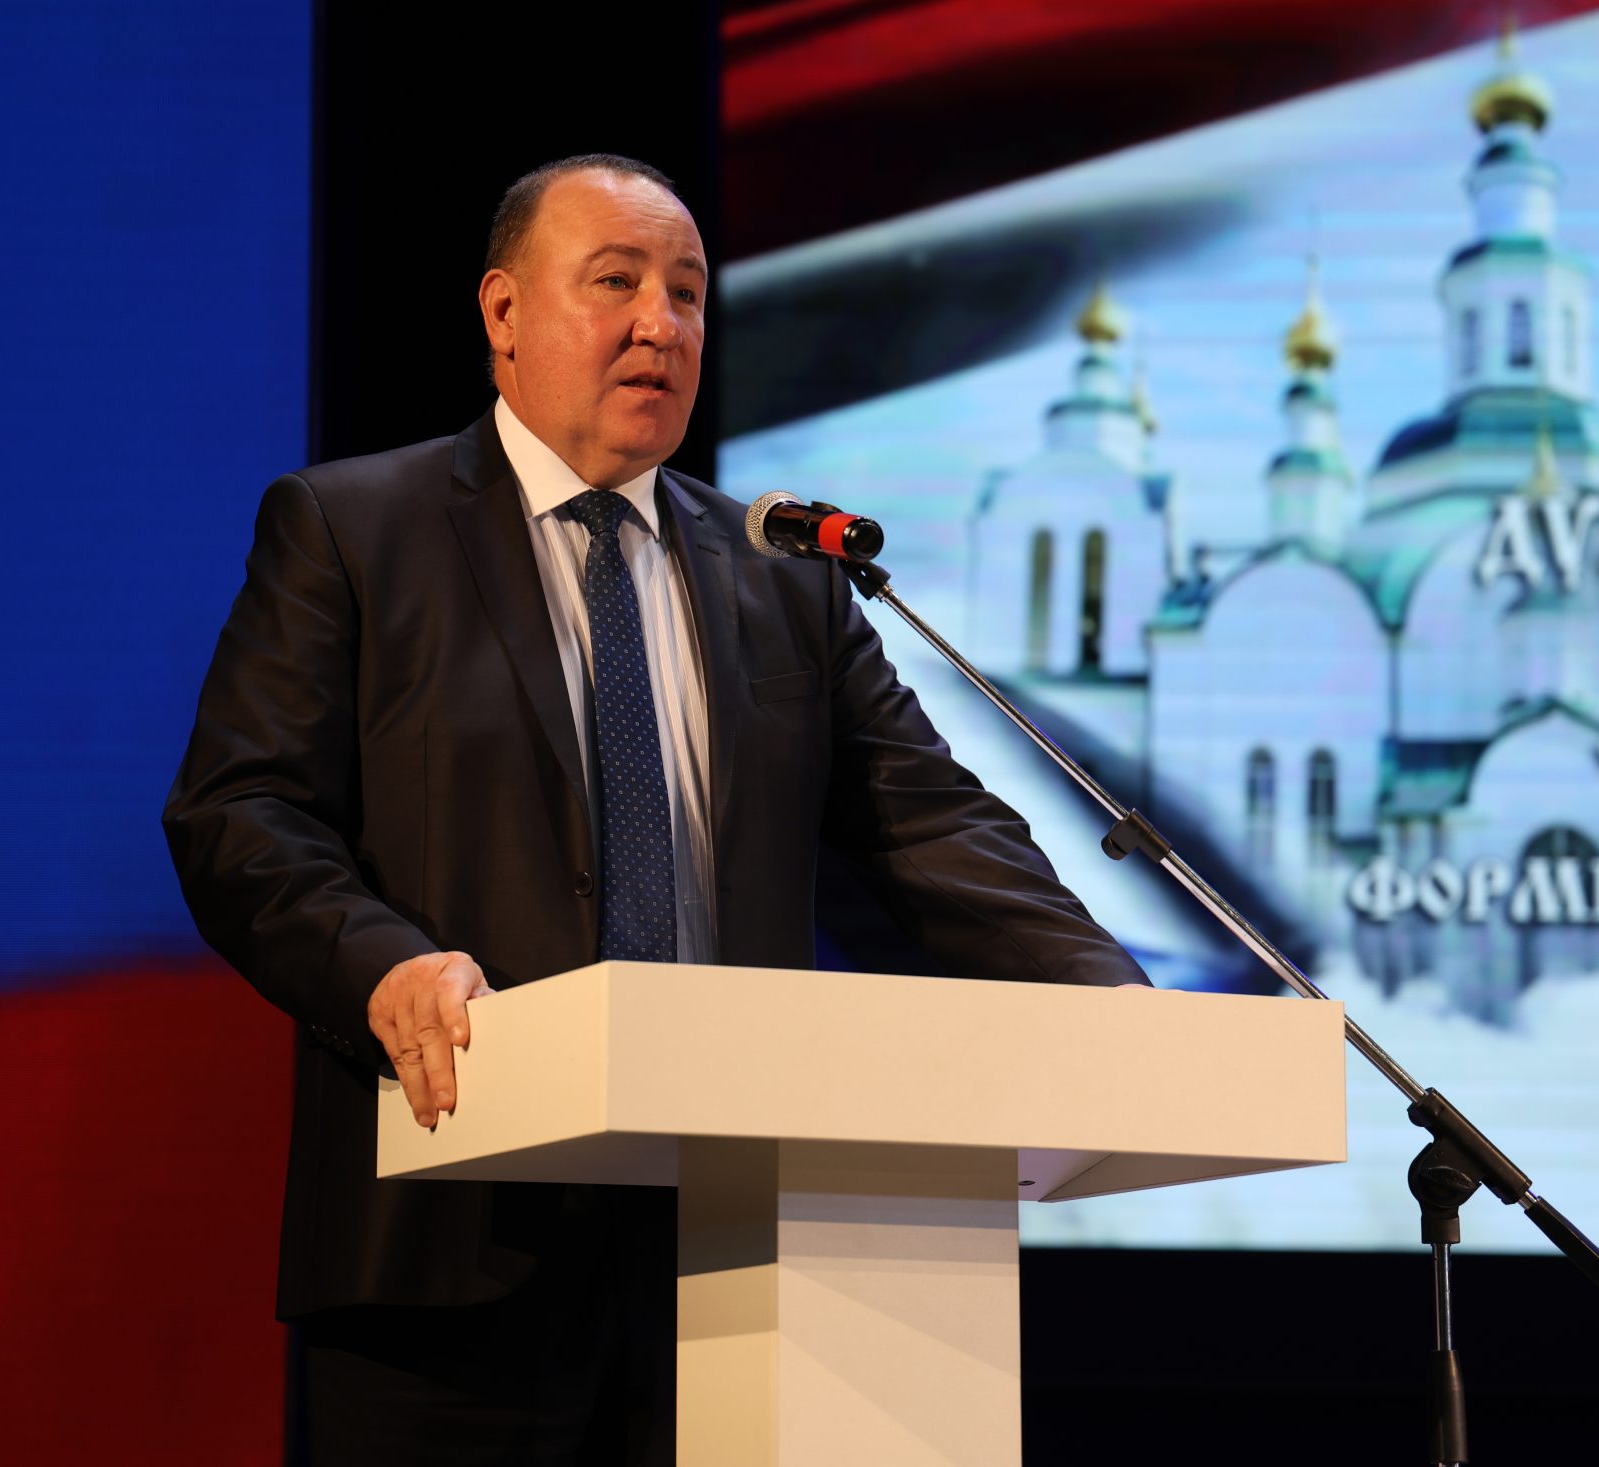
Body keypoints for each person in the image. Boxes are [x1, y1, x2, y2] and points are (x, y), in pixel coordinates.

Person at [162, 153, 1147, 1466]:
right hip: (449, 1243)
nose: (660, 324)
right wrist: (382, 966)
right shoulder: (354, 529)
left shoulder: (781, 575)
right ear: (504, 313)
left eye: (686, 292)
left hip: (733, 1263)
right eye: (616, 282)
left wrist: (1109, 1000)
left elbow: (930, 822)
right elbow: (241, 813)